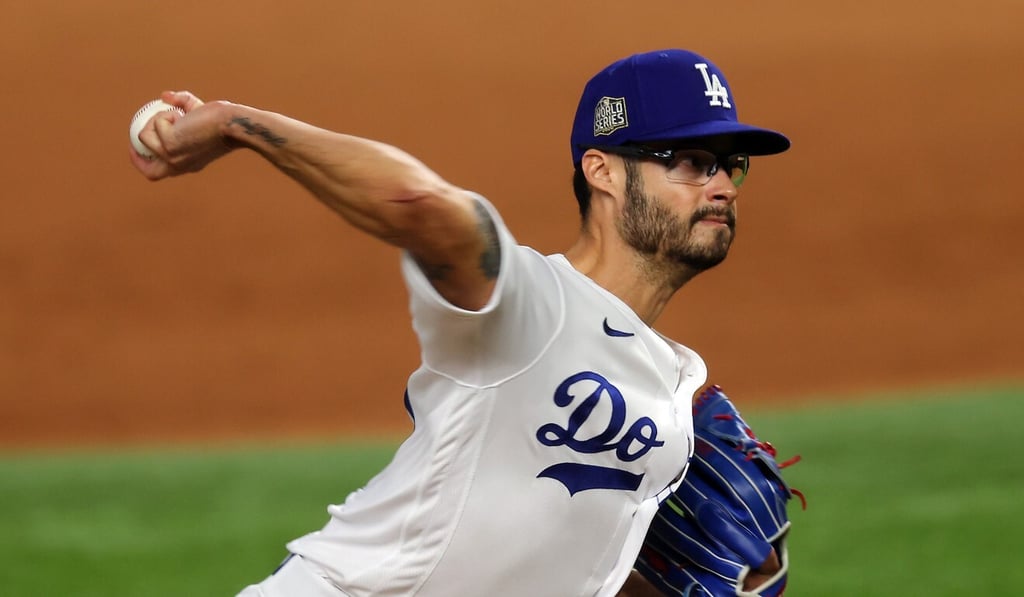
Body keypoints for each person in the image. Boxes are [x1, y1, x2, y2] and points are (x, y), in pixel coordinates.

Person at [129, 48, 790, 597]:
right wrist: (236, 124)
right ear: (603, 170)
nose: (723, 186)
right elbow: (419, 203)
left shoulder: (678, 385)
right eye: (691, 161)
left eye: (732, 165)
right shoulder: (530, 300)